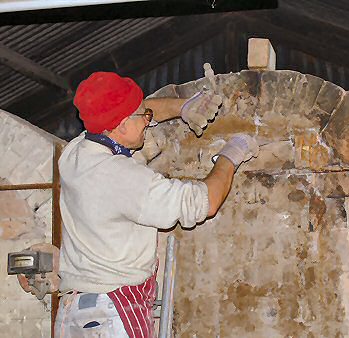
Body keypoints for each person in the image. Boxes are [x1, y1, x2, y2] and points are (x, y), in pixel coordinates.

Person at [54, 71, 259, 338]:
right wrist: (230, 156)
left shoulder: (76, 152)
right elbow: (204, 203)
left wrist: (185, 106)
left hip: (74, 310)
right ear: (122, 124)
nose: (148, 120)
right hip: (110, 315)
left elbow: (143, 113)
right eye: (143, 117)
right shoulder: (123, 178)